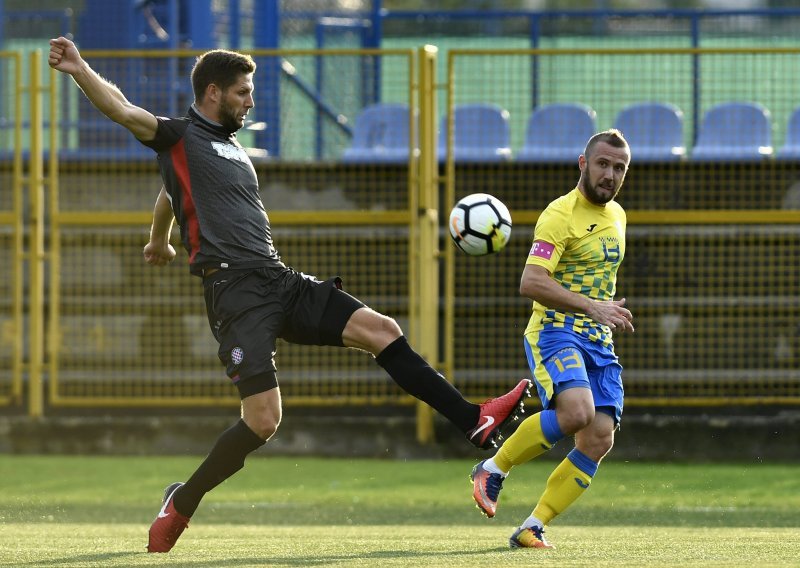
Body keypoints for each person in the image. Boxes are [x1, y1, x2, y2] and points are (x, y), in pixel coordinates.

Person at [48, 37, 531, 553]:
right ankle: (182, 502)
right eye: (243, 92)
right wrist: (80, 68)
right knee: (263, 420)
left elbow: (171, 190)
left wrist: (158, 238)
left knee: (382, 330)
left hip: (277, 278)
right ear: (212, 93)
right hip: (236, 292)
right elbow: (122, 110)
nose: (251, 101)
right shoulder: (178, 134)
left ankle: (472, 420)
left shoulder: (229, 147)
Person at [470, 129, 635, 549]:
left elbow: (595, 279)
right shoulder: (559, 215)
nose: (610, 174)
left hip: (598, 341)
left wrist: (605, 308)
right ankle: (493, 467)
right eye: (603, 164)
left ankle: (533, 525)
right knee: (576, 412)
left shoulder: (618, 215)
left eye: (619, 168)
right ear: (583, 164)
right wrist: (593, 307)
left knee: (599, 437)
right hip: (556, 331)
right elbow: (531, 281)